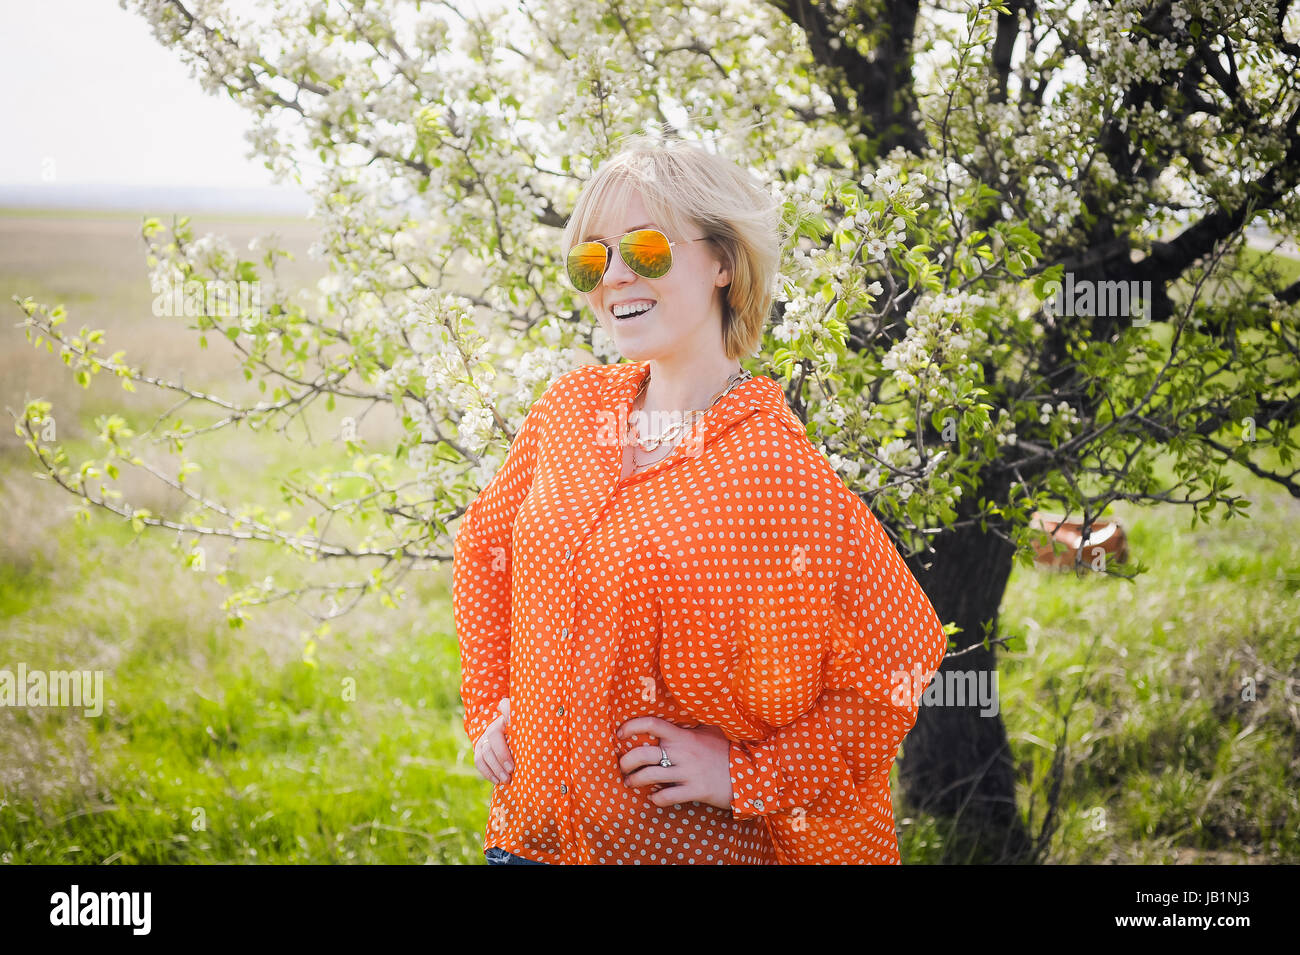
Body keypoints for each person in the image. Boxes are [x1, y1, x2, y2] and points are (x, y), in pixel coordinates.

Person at [452, 134, 947, 864]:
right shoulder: (569, 408)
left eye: (646, 250)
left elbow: (897, 663)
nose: (614, 277)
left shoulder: (772, 464)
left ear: (722, 260)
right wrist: (495, 701)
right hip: (524, 842)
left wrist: (743, 773)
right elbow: (484, 550)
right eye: (592, 258)